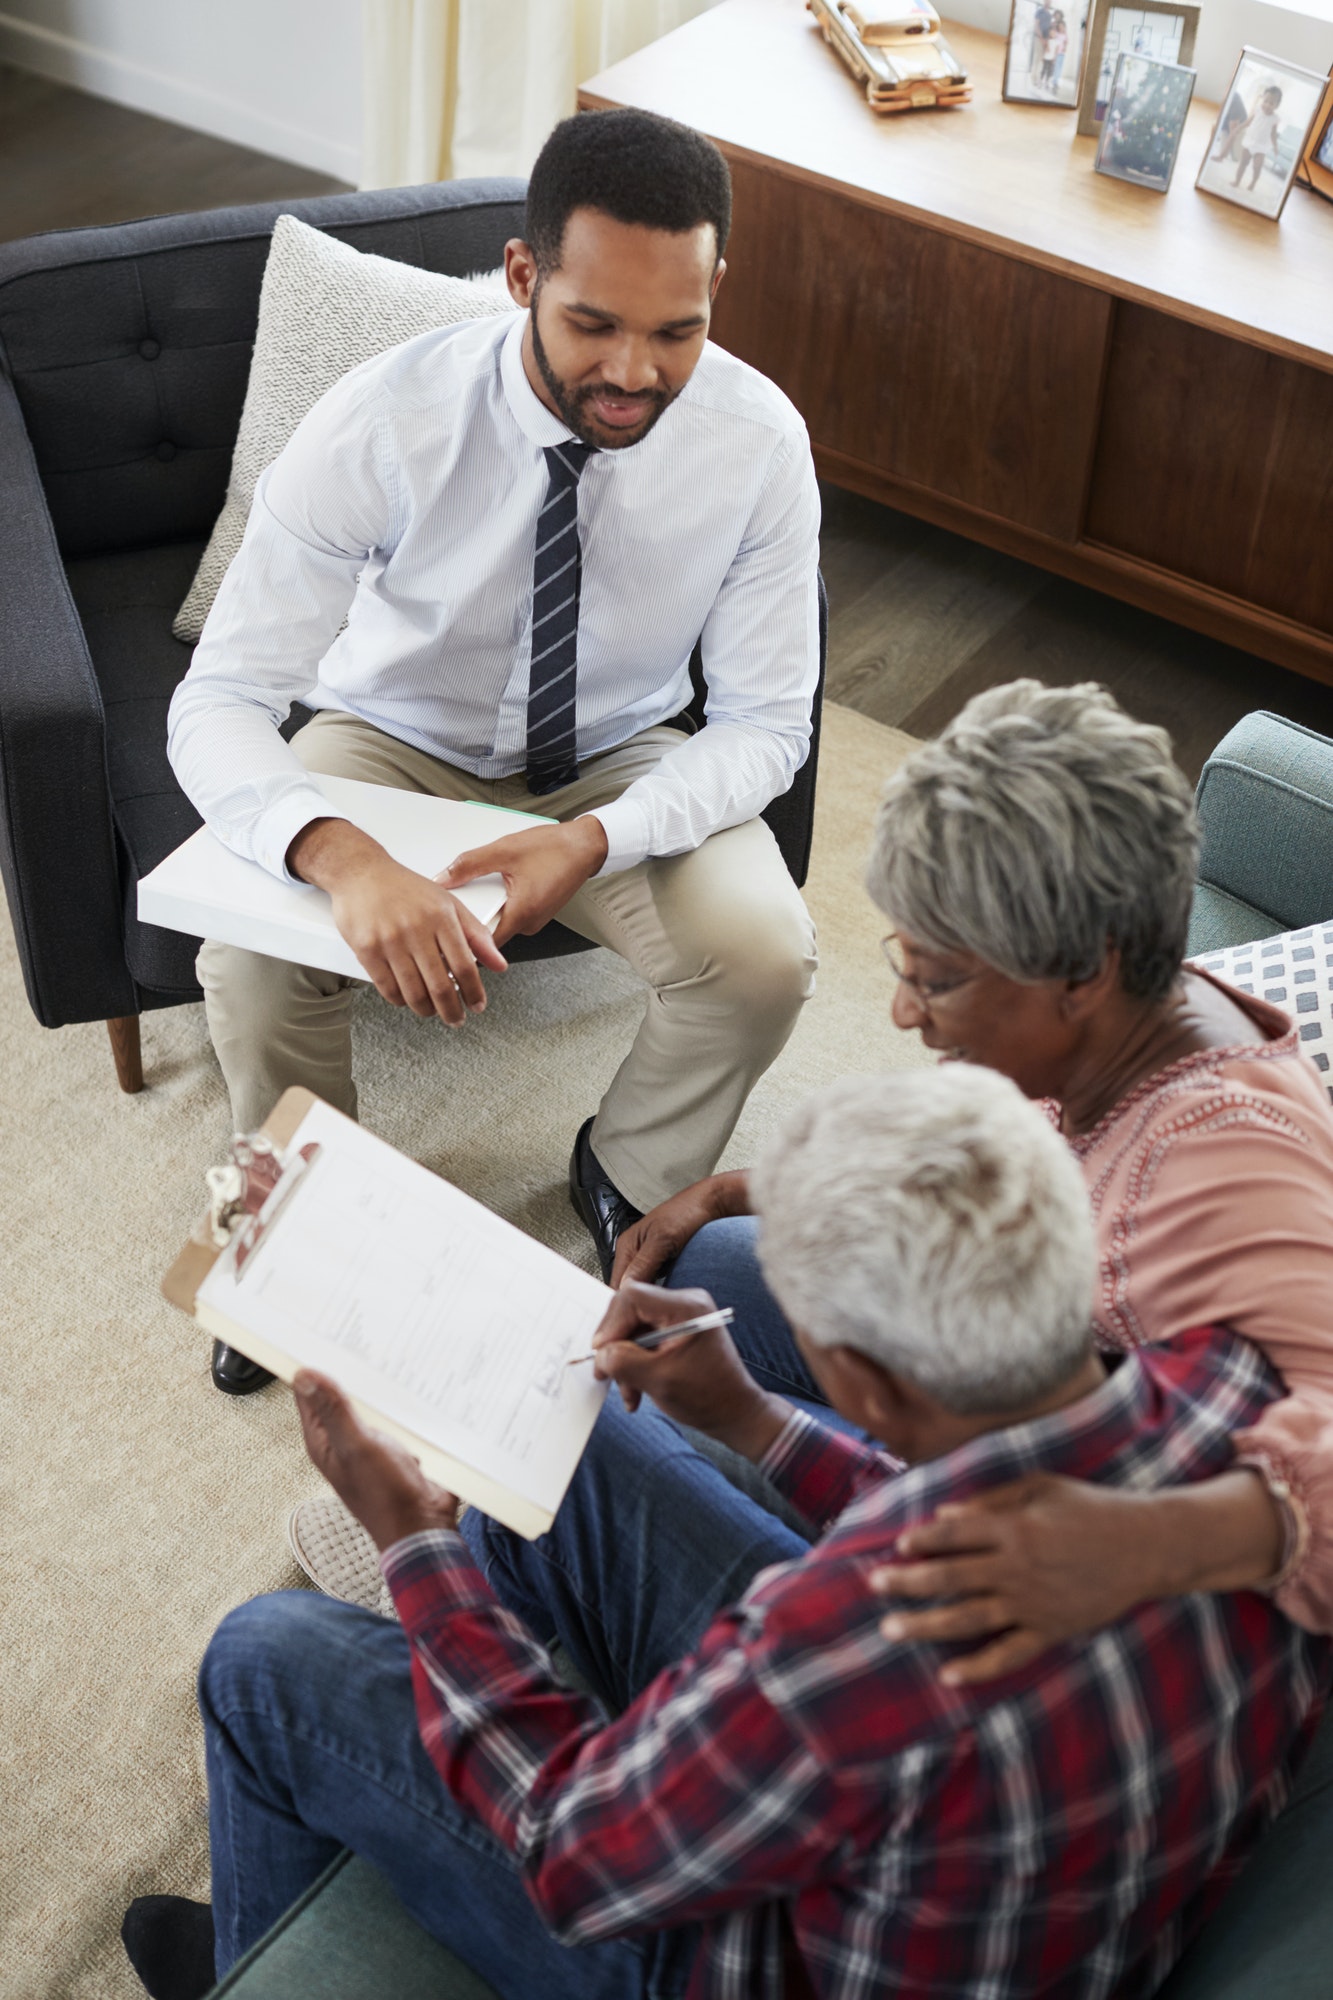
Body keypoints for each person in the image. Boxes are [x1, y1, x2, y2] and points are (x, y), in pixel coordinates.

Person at [121, 1069, 1329, 2000]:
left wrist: (414, 1553)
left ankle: (254, 1956)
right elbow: (981, 1503)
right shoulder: (1237, 1401)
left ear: (857, 1372)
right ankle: (500, 1689)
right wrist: (753, 1418)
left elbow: (571, 1847)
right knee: (574, 1430)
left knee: (263, 1661)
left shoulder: (843, 1648)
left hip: (752, 1957)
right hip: (1024, 1867)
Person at [167, 107, 820, 1393]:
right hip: (392, 738)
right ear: (523, 278)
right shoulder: (382, 418)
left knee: (763, 958)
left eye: (675, 330)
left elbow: (765, 721)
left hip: (620, 755)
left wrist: (597, 837)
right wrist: (338, 851)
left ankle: (625, 1174)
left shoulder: (759, 444)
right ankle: (295, 1233)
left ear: (714, 293)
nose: (634, 370)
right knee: (246, 960)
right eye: (594, 324)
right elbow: (221, 697)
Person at [615, 680, 1333, 1676]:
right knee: (719, 1261)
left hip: (1076, 1598)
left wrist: (1111, 1545)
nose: (905, 1012)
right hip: (1031, 1422)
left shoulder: (1225, 1167)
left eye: (938, 978)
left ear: (1083, 972)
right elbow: (1001, 1164)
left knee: (619, 1443)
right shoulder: (1132, 1024)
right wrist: (738, 1185)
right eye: (901, 964)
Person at [1234, 84, 1283, 192]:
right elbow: (1248, 122)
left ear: (1277, 105)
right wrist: (1239, 128)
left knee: (1257, 166)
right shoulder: (1257, 110)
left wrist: (1275, 146)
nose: (1267, 105)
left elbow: (1273, 134)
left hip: (1262, 145)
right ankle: (1237, 181)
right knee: (1243, 163)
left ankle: (1253, 182)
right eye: (1265, 101)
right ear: (1262, 99)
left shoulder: (1275, 119)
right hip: (1250, 140)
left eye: (1271, 103)